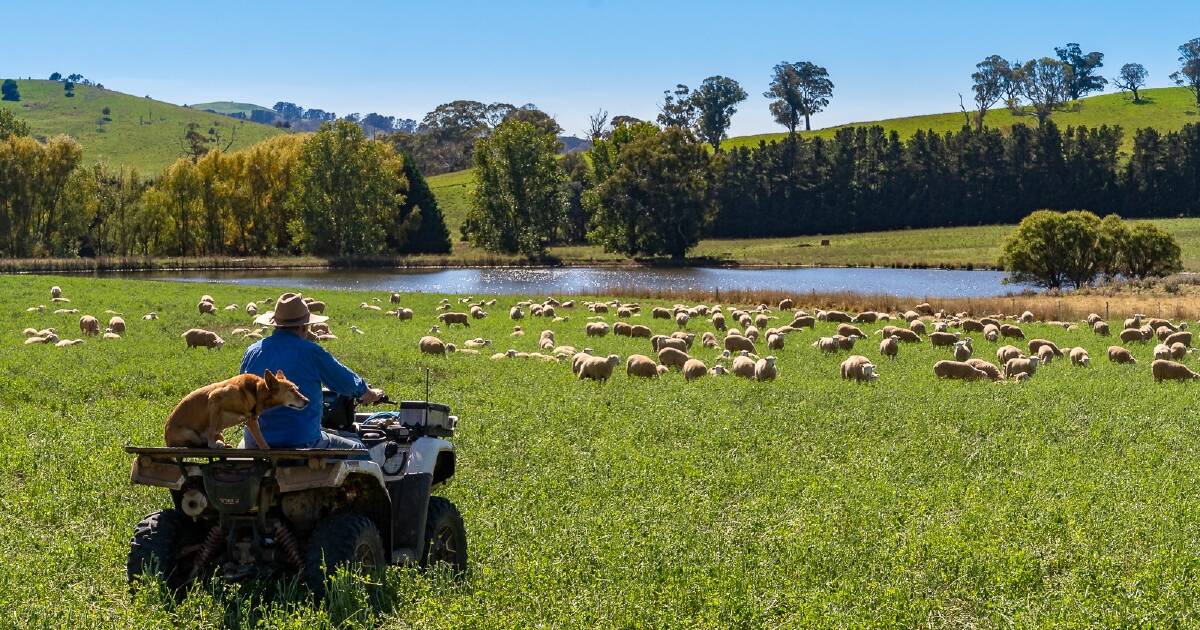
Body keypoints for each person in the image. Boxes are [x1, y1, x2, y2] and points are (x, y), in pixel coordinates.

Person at [239, 292, 384, 450]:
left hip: (256, 442)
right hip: (301, 441)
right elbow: (346, 383)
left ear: (275, 324)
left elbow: (242, 391)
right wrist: (370, 394)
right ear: (304, 326)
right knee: (359, 450)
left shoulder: (252, 351)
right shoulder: (311, 352)